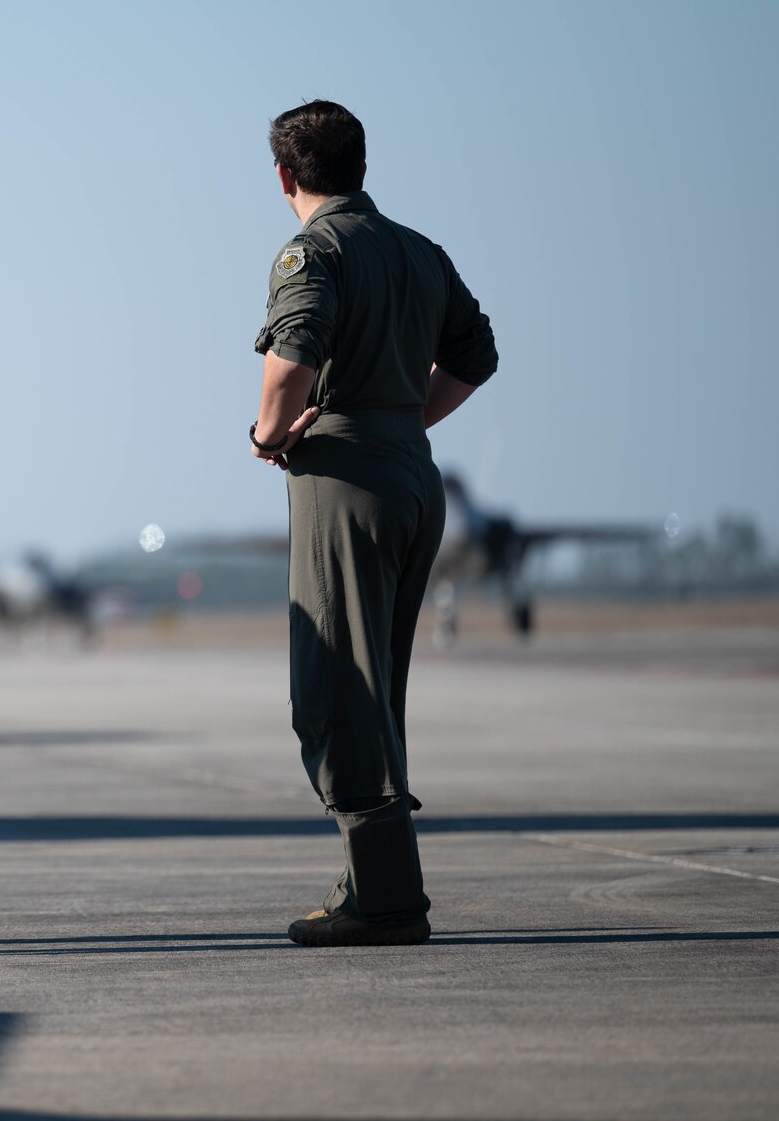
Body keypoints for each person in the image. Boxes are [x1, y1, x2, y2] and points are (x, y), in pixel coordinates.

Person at [248, 101, 497, 947]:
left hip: (344, 481)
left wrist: (270, 433)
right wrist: (406, 421)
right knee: (376, 686)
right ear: (360, 164)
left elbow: (293, 358)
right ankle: (368, 880)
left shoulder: (312, 251)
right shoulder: (419, 251)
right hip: (411, 477)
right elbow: (477, 355)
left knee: (332, 689)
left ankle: (386, 899)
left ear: (286, 176)